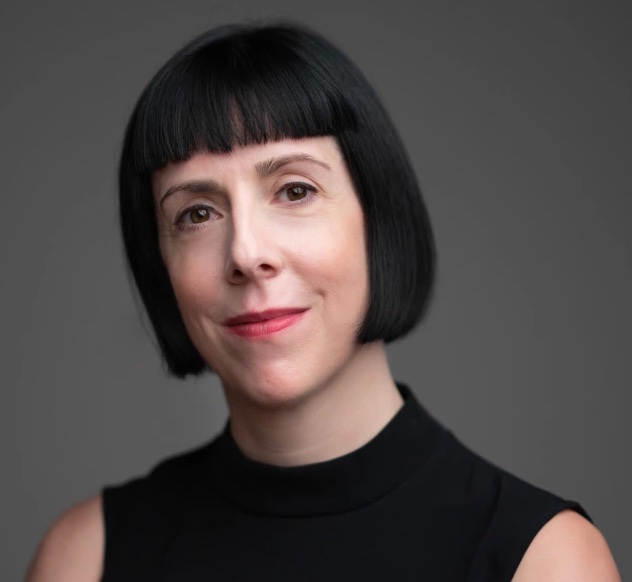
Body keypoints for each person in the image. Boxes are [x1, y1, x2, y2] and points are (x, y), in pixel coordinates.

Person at [26, 22, 620, 582]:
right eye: (197, 213)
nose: (246, 253)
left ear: (377, 220)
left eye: (294, 190)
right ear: (161, 268)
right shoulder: (84, 557)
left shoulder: (544, 560)